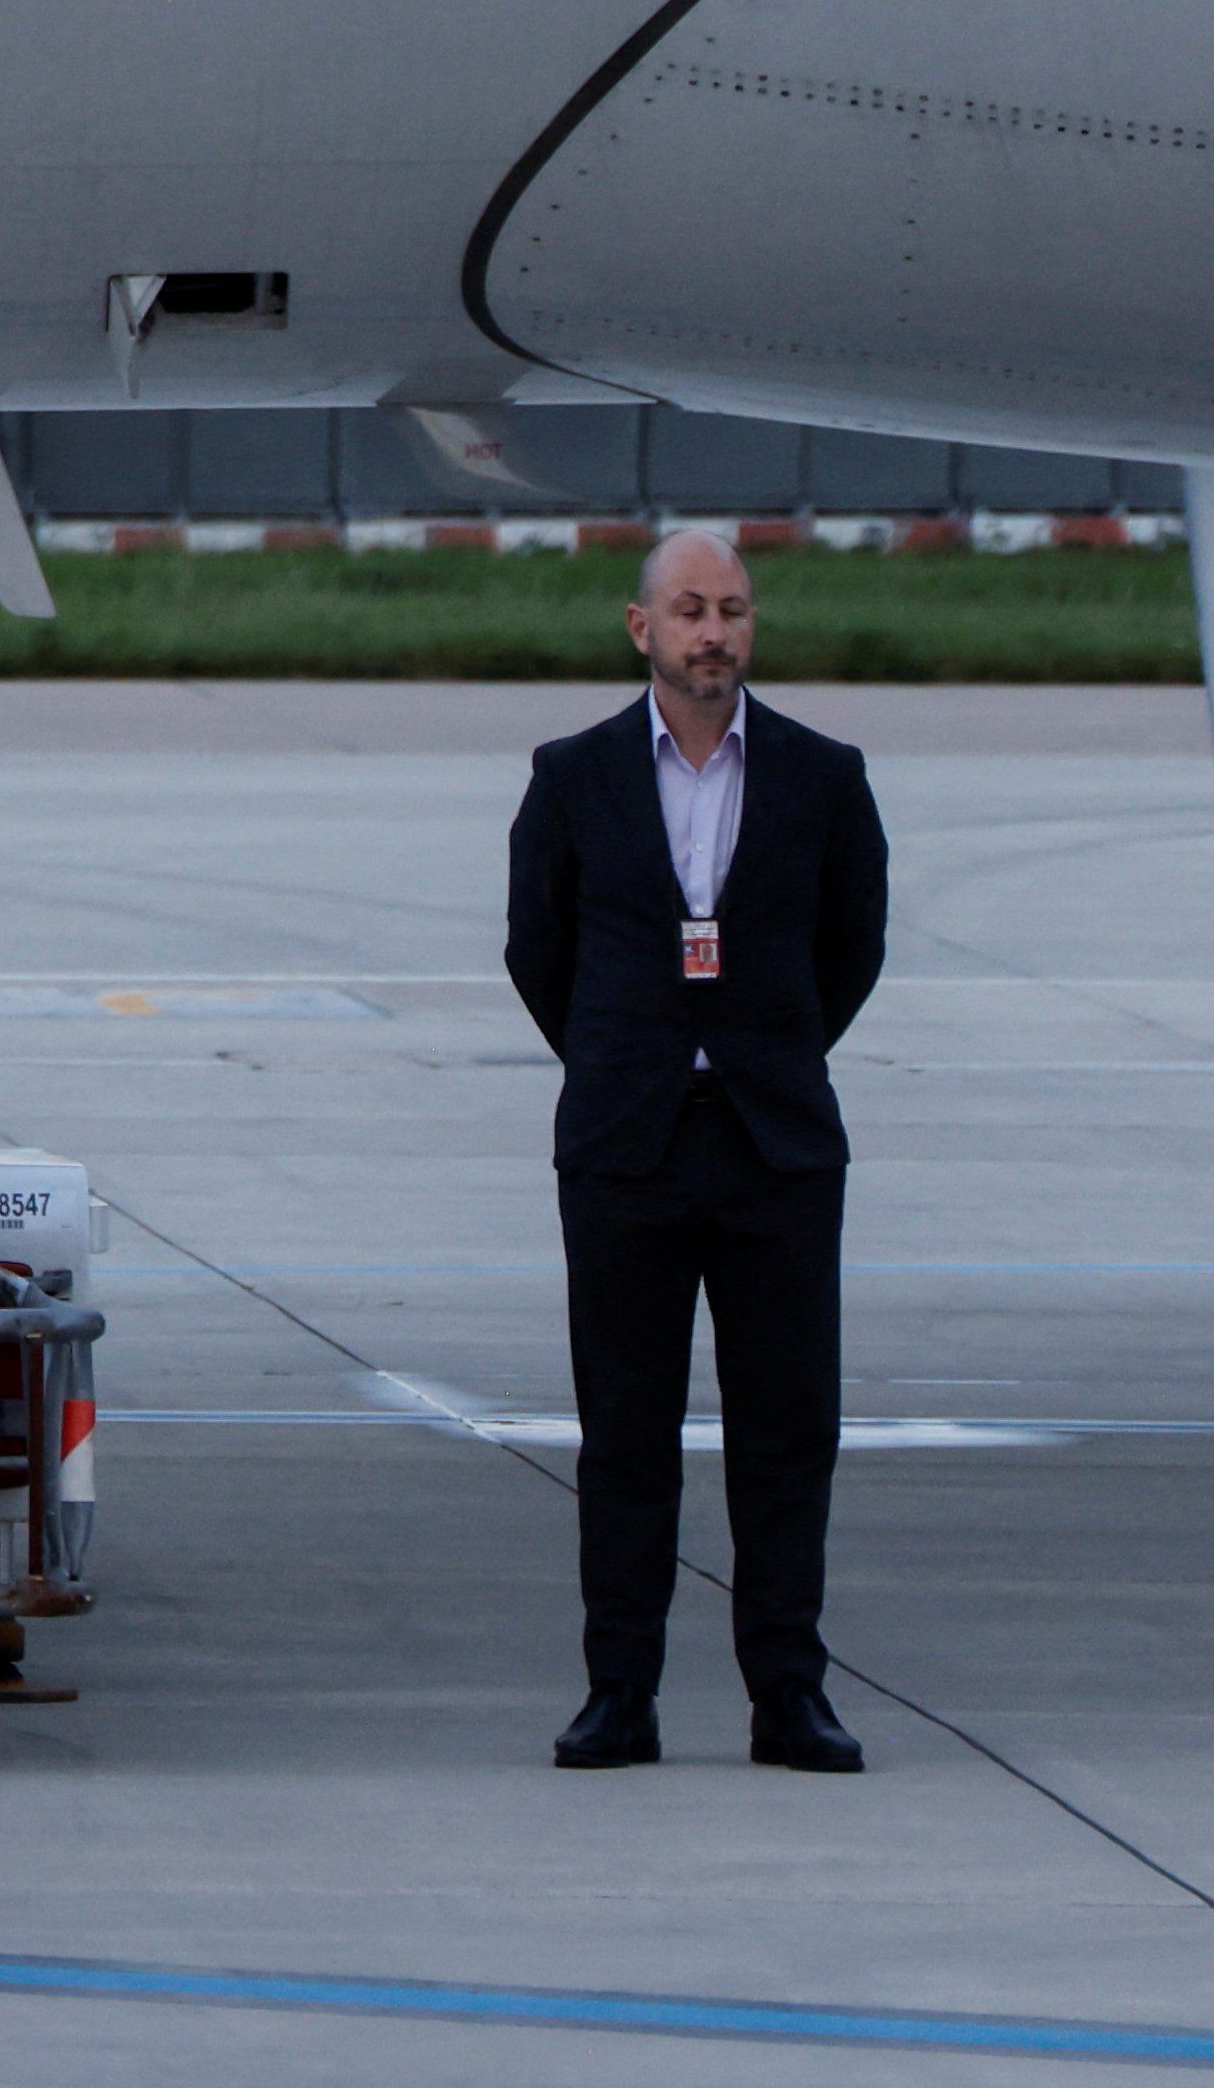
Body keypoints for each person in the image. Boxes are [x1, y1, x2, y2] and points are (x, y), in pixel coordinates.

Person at [504, 528, 890, 1774]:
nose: (710, 631)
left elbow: (853, 945)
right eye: (687, 609)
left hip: (775, 1148)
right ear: (641, 628)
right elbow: (537, 948)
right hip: (629, 1149)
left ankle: (790, 1694)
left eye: (730, 609)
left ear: (750, 627)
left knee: (788, 1433)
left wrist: (761, 1048)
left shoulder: (825, 777)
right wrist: (632, 1059)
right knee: (626, 1433)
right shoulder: (573, 776)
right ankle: (620, 1692)